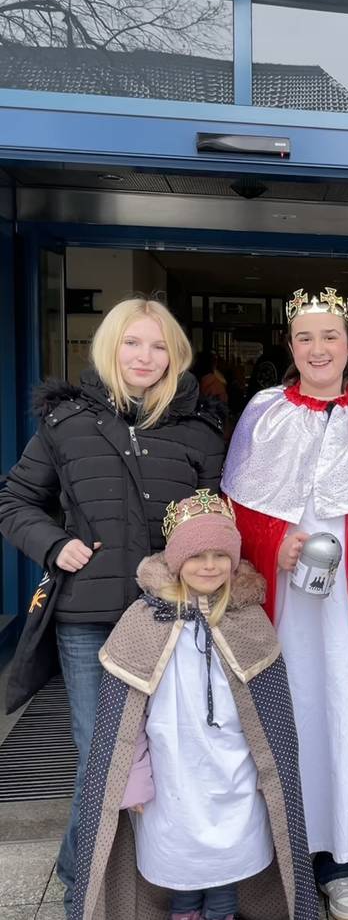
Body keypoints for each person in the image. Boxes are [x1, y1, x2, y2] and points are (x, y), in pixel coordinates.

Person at [0, 298, 225, 914]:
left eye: (158, 346)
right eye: (132, 343)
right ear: (110, 348)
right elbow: (14, 500)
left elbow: (217, 520)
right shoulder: (66, 422)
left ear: (175, 355)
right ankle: (85, 880)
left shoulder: (201, 430)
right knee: (105, 751)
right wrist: (54, 544)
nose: (144, 358)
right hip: (89, 619)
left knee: (172, 751)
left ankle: (162, 872)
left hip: (171, 616)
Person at [221, 287, 348, 920]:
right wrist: (273, 542)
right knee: (287, 712)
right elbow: (238, 511)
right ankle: (283, 853)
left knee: (343, 715)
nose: (318, 348)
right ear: (291, 347)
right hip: (283, 607)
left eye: (329, 336)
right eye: (305, 337)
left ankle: (341, 864)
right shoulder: (263, 411)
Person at [68, 490, 318, 920]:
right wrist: (135, 776)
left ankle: (220, 912)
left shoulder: (248, 619)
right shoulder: (144, 620)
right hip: (171, 776)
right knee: (179, 861)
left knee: (229, 859)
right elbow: (124, 720)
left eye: (221, 555)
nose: (208, 565)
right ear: (175, 559)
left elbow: (275, 718)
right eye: (197, 554)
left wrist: (267, 772)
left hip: (234, 773)